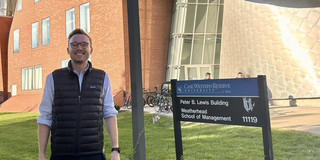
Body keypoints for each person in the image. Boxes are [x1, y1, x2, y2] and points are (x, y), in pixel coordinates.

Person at [37, 29, 120, 160]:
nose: (79, 48)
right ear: (68, 49)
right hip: (61, 155)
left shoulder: (102, 77)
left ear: (91, 49)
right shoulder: (53, 78)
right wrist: (41, 154)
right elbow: (45, 117)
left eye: (84, 44)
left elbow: (109, 113)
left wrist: (115, 149)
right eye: (74, 44)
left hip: (94, 154)